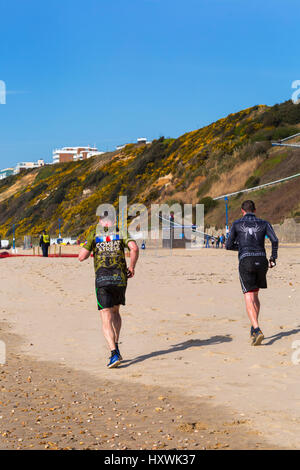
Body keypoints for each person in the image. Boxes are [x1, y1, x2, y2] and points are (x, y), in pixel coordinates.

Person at [78, 211, 139, 369]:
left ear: (100, 220)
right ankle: (116, 345)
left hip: (103, 279)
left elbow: (81, 257)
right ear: (113, 219)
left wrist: (89, 248)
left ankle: (113, 353)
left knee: (105, 315)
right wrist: (131, 266)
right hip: (120, 278)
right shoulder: (121, 232)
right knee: (116, 312)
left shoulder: (94, 234)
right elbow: (134, 248)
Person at [226, 200, 278, 346]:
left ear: (242, 210)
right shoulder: (264, 223)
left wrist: (242, 247)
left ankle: (256, 328)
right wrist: (273, 258)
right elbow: (275, 240)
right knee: (255, 294)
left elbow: (228, 245)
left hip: (246, 261)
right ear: (255, 210)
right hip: (262, 261)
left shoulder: (237, 224)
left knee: (248, 296)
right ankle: (253, 327)